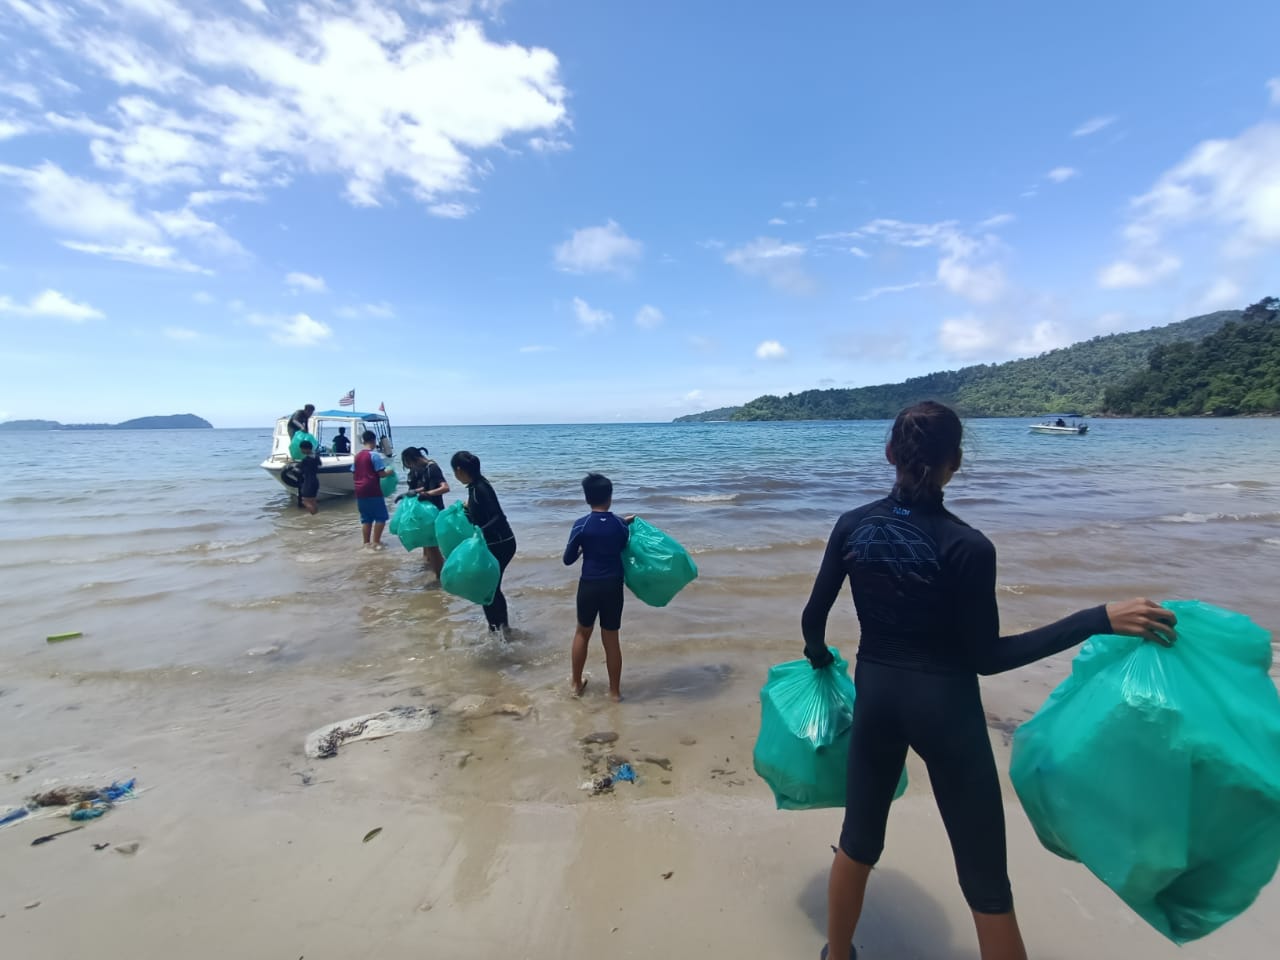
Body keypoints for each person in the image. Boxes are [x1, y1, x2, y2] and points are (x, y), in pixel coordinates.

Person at [800, 400, 1178, 960]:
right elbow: (987, 658)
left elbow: (813, 622)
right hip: (945, 709)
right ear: (956, 461)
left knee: (858, 841)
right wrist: (1096, 619)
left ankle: (837, 955)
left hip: (876, 694)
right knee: (985, 882)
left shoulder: (852, 525)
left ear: (888, 455)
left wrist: (820, 661)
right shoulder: (968, 547)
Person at [563, 473, 633, 701]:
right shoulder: (621, 526)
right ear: (610, 497)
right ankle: (615, 692)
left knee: (582, 632)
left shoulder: (581, 525)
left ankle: (575, 684)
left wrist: (584, 549)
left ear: (586, 498)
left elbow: (568, 559)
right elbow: (622, 543)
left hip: (589, 585)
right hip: (613, 585)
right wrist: (625, 522)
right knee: (611, 638)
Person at [451, 451, 516, 633]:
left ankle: (499, 628)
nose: (455, 476)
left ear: (459, 470)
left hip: (501, 543)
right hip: (494, 543)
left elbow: (497, 516)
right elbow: (481, 512)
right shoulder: (474, 487)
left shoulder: (480, 487)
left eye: (454, 472)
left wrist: (480, 531)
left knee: (489, 589)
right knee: (490, 588)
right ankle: (499, 628)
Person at [397, 446, 449, 576]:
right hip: (423, 512)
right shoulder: (421, 469)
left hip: (434, 511)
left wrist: (427, 494)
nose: (410, 467)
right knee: (424, 542)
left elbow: (445, 487)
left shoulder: (433, 468)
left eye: (409, 464)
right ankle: (428, 567)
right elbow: (424, 486)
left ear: (414, 459)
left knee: (432, 546)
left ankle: (440, 577)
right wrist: (410, 493)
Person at [354, 429, 394, 550]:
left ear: (363, 441)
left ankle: (366, 543)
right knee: (381, 517)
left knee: (366, 518)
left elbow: (354, 471)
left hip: (359, 490)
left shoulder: (357, 456)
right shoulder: (374, 455)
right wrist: (390, 472)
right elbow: (381, 474)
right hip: (372, 489)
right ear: (373, 440)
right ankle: (376, 542)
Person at [296, 439, 320, 515]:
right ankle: (316, 516)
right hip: (315, 481)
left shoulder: (305, 460)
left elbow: (299, 469)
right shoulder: (316, 457)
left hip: (308, 482)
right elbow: (320, 463)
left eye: (301, 449)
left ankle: (314, 516)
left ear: (305, 449)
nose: (301, 450)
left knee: (305, 501)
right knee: (313, 501)